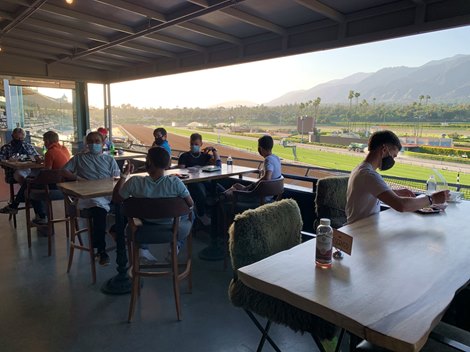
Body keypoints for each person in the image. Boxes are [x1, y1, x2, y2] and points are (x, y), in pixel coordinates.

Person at [346, 130, 449, 224]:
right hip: (360, 232)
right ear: (384, 149)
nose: (393, 160)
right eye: (393, 155)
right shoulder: (368, 174)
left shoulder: (360, 169)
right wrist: (432, 199)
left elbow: (368, 192)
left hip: (361, 227)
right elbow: (401, 205)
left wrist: (394, 192)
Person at [113, 146, 193, 263]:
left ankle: (143, 249)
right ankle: (176, 246)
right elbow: (190, 204)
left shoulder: (134, 183)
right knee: (191, 214)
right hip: (171, 227)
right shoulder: (176, 183)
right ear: (167, 164)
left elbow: (116, 199)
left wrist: (124, 175)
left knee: (137, 217)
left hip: (144, 225)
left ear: (148, 163)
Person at [62, 131, 120, 266]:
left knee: (127, 207)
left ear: (103, 143)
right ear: (87, 144)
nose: (94, 144)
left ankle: (117, 234)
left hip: (106, 194)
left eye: (97, 141)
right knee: (98, 210)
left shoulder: (109, 159)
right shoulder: (79, 158)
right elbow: (64, 170)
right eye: (91, 141)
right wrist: (77, 178)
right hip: (88, 197)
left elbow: (116, 178)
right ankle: (101, 250)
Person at [222, 135, 282, 201]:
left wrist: (251, 186)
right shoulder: (276, 158)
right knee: (236, 185)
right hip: (267, 195)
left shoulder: (268, 159)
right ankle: (221, 196)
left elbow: (267, 178)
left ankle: (220, 199)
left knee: (229, 193)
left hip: (260, 197)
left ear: (261, 148)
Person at [177, 133, 220, 226]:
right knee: (201, 191)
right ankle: (201, 214)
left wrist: (214, 150)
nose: (193, 146)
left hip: (205, 180)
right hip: (192, 182)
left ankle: (217, 211)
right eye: (192, 144)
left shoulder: (205, 156)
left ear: (201, 144)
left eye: (196, 144)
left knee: (219, 188)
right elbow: (180, 171)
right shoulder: (184, 156)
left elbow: (218, 164)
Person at [0, 128, 40, 215]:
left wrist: (33, 159)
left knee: (33, 178)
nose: (19, 140)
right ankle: (30, 197)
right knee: (25, 178)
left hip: (29, 170)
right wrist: (8, 161)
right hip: (13, 172)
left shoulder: (28, 146)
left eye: (21, 139)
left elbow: (37, 157)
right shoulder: (6, 148)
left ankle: (19, 202)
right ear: (12, 136)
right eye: (17, 138)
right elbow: (1, 161)